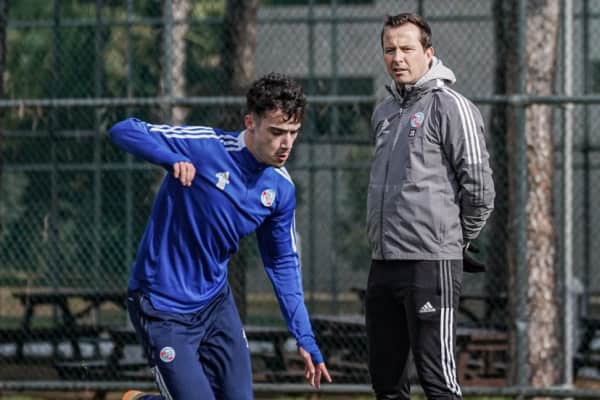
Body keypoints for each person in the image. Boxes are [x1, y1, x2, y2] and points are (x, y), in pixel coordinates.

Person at [109, 73, 331, 400]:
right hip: (161, 305)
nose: (286, 144)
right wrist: (171, 159)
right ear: (250, 123)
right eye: (276, 132)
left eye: (293, 132)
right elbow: (123, 129)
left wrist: (304, 335)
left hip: (215, 305)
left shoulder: (280, 189)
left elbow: (282, 263)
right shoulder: (205, 147)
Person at [365, 13, 495, 400]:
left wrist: (456, 239)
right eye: (390, 50)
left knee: (437, 380)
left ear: (428, 52)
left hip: (431, 263)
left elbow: (480, 190)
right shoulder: (384, 112)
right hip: (383, 263)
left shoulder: (451, 106)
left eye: (407, 49)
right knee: (386, 384)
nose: (397, 58)